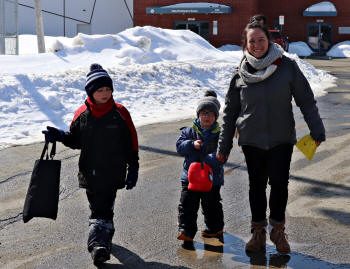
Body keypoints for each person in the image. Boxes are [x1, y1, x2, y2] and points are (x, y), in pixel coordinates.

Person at [217, 21, 325, 254]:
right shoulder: (240, 73)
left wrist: (317, 129)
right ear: (245, 44)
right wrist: (223, 146)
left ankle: (278, 231)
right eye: (251, 41)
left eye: (261, 40)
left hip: (281, 138)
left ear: (270, 41)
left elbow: (305, 100)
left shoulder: (287, 67)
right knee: (255, 186)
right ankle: (258, 233)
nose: (256, 45)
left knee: (279, 185)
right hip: (251, 140)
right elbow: (230, 112)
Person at [42, 63, 139, 265]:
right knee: (99, 208)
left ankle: (98, 246)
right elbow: (76, 140)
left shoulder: (120, 113)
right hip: (90, 172)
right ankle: (102, 236)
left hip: (113, 172)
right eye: (100, 90)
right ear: (90, 92)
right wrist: (59, 136)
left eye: (108, 89)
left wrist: (134, 168)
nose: (105, 94)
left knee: (102, 210)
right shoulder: (82, 115)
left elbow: (131, 143)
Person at [176, 90, 224, 245]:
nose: (206, 117)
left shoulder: (219, 134)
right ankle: (186, 231)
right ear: (198, 115)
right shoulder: (189, 131)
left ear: (215, 117)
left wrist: (207, 162)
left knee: (211, 205)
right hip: (190, 177)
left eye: (210, 114)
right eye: (203, 113)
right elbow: (180, 147)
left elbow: (222, 154)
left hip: (211, 178)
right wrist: (191, 144)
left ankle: (215, 228)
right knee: (187, 204)